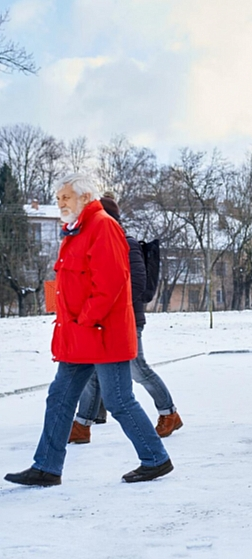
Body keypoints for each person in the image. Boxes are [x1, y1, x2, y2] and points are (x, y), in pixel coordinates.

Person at [4, 174, 172, 486]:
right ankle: (47, 467)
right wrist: (73, 326)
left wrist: (85, 319)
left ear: (85, 197)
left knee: (118, 400)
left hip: (103, 333)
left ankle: (156, 459)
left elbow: (110, 284)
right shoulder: (75, 231)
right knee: (59, 397)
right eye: (58, 198)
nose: (60, 203)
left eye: (66, 197)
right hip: (79, 336)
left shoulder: (102, 226)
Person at [67, 194, 183, 444]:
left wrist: (107, 301)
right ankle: (82, 425)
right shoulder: (101, 243)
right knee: (92, 371)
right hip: (102, 320)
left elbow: (138, 284)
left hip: (127, 320)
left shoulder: (126, 243)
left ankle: (169, 413)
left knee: (137, 369)